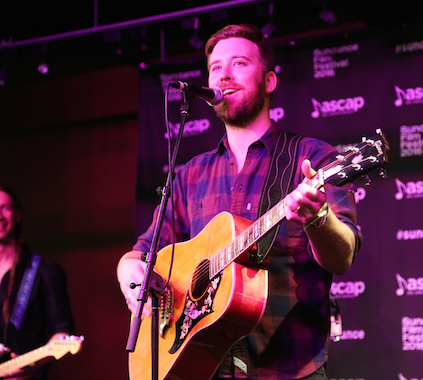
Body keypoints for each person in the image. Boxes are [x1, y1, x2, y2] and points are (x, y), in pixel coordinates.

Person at [117, 24, 362, 380]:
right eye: (216, 68)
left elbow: (343, 257)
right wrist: (129, 275)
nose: (225, 75)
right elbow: (141, 254)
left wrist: (318, 218)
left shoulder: (312, 157)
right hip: (204, 365)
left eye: (240, 64)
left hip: (289, 367)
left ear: (269, 81)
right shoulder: (189, 174)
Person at [0, 184, 75, 380]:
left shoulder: (45, 272)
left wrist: (32, 365)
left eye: (5, 208)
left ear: (18, 215)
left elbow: (62, 332)